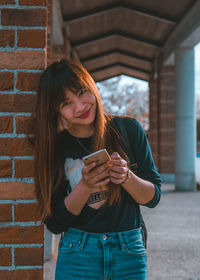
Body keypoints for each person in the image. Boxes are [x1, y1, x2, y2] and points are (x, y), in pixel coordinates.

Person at [32, 58, 162, 280]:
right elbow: (54, 222)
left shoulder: (129, 129)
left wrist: (126, 176)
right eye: (66, 103)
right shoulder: (55, 146)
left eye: (82, 92)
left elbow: (153, 197)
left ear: (92, 86)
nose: (80, 106)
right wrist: (85, 186)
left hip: (128, 251)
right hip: (77, 252)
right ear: (56, 111)